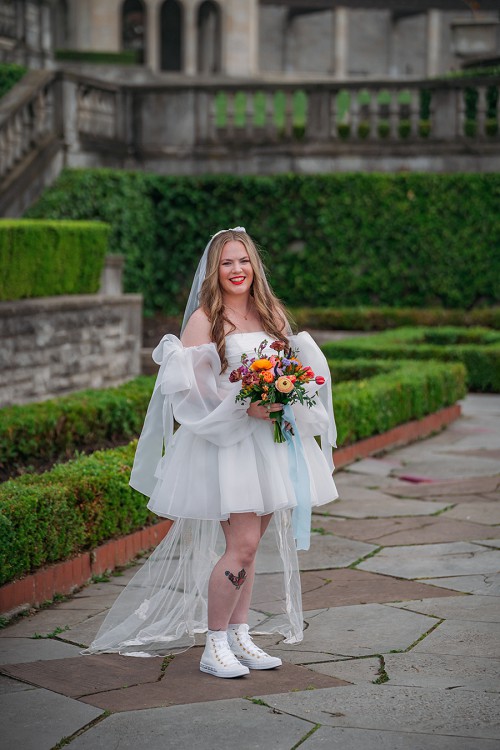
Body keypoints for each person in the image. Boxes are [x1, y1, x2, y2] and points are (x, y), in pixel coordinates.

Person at [84, 227, 338, 679]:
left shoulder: (272, 314)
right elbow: (190, 396)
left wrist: (284, 396)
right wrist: (246, 404)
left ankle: (240, 634)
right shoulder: (205, 320)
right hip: (229, 446)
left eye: (243, 261)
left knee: (250, 546)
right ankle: (214, 643)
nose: (236, 270)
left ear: (254, 266)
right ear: (214, 270)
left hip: (269, 446)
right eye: (227, 263)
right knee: (240, 544)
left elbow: (291, 372)